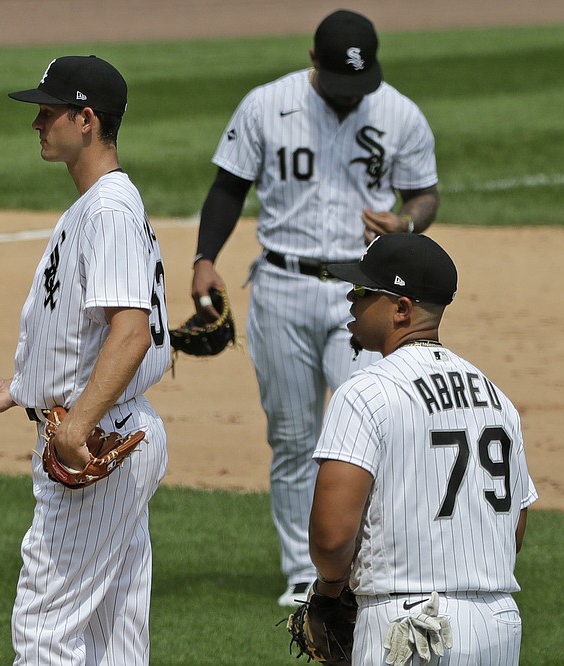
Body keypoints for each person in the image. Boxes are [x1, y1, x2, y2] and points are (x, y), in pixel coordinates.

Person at [190, 8, 441, 606]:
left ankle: (374, 564)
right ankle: (305, 573)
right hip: (280, 286)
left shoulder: (399, 113)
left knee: (372, 428)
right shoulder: (265, 105)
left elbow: (424, 193)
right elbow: (229, 187)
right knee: (294, 435)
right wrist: (204, 258)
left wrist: (407, 221)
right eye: (340, 85)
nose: (352, 98)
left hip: (364, 296)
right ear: (313, 62)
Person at [0, 55, 170, 665]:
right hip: (113, 427)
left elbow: (132, 333)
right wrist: (19, 390)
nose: (38, 123)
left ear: (86, 120)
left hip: (99, 435)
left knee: (47, 630)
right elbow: (86, 336)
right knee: (113, 632)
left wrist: (73, 425)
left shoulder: (108, 211)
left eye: (49, 112)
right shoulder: (99, 207)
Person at [308, 233, 538, 665]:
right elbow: (514, 530)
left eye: (362, 291)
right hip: (498, 626)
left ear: (401, 308)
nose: (350, 301)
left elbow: (332, 537)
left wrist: (329, 591)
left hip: (408, 631)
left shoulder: (365, 393)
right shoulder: (497, 398)